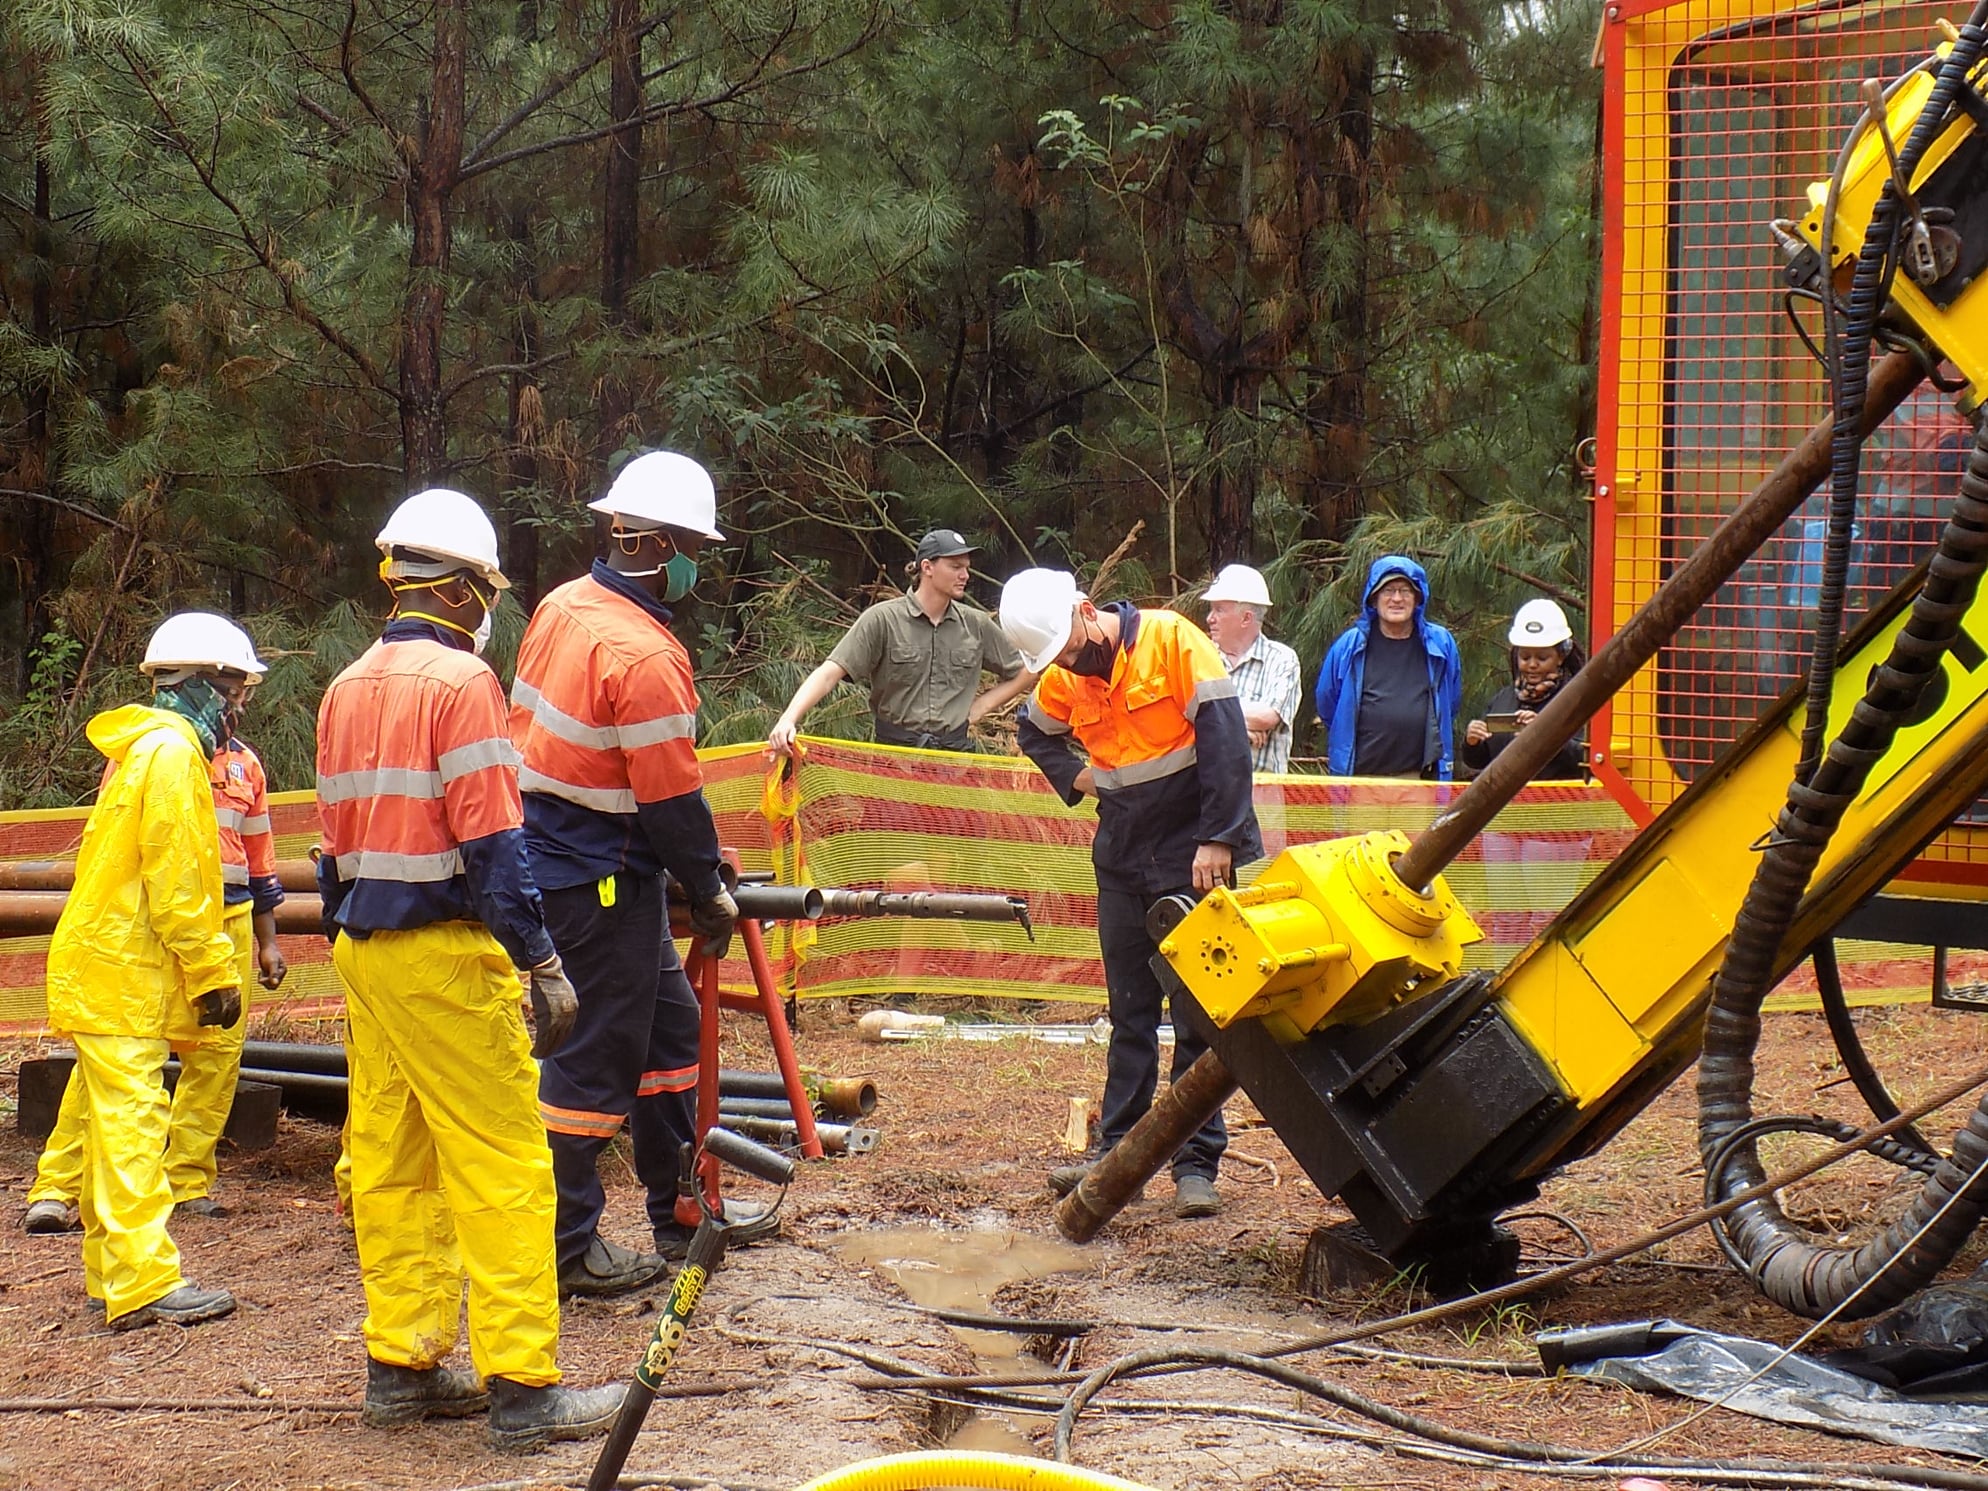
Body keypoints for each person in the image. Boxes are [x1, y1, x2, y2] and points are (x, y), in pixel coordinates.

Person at [317, 487, 622, 1451]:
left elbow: (331, 850)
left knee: (393, 1159)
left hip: (365, 952)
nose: (490, 606)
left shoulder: (344, 686)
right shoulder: (461, 684)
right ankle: (524, 1388)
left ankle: (401, 1368)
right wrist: (542, 958)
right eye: (487, 588)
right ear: (457, 589)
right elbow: (494, 842)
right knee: (503, 1163)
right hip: (445, 956)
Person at [511, 450, 774, 1296]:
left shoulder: (561, 605)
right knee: (593, 1058)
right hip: (600, 875)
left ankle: (679, 1206)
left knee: (669, 1035)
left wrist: (695, 871)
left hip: (573, 857)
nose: (697, 563)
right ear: (659, 545)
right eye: (693, 546)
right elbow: (669, 796)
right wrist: (709, 886)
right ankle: (567, 1245)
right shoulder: (646, 655)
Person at [1002, 569, 1261, 1219]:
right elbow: (1034, 731)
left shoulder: (1173, 641)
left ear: (1088, 611)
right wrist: (1077, 776)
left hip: (1192, 849)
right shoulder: (1065, 673)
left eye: (1070, 648)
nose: (1068, 664)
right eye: (1056, 659)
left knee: (1200, 1015)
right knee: (1130, 1012)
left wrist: (1219, 839)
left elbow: (1227, 741)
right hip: (1121, 853)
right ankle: (1119, 1155)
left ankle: (1196, 1164)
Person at [23, 616, 287, 1237]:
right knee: (118, 1073)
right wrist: (203, 959)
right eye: (235, 691)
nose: (239, 705)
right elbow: (154, 867)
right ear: (204, 684)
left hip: (219, 922)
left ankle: (185, 1180)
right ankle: (59, 1186)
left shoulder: (238, 766)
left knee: (211, 1061)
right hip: (161, 934)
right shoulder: (161, 757)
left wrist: (265, 940)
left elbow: (260, 856)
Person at [767, 528, 1030, 754]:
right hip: (893, 761)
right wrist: (788, 719)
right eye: (955, 567)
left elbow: (1027, 669)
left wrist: (982, 706)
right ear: (927, 567)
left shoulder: (976, 624)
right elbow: (828, 674)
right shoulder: (882, 619)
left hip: (955, 763)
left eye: (966, 568)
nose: (965, 575)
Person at [1314, 556, 1463, 780]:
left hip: (1419, 779)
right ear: (1373, 599)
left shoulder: (1440, 643)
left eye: (1405, 591)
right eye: (1388, 590)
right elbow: (1327, 701)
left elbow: (1450, 702)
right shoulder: (1350, 645)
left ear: (1418, 598)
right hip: (1360, 778)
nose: (1397, 598)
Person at [1461, 598, 1588, 782]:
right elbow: (1481, 760)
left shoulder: (1577, 701)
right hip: (1505, 798)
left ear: (1561, 656)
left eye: (1542, 658)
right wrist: (1472, 742)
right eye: (1525, 657)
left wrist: (1545, 736)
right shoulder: (1503, 699)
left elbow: (1586, 758)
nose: (1532, 664)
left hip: (1556, 799)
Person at [1202, 564, 1303, 773]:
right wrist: (1237, 728)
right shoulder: (1200, 657)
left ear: (1246, 618)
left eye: (1219, 609)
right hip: (1206, 790)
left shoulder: (1281, 659)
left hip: (1262, 791)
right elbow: (1181, 717)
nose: (1209, 618)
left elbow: (1266, 717)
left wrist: (1208, 716)